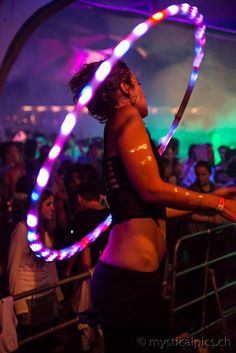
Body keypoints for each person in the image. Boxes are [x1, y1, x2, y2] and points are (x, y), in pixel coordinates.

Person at [69, 60, 236, 353]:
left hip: (130, 283)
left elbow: (154, 208)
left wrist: (217, 196)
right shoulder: (127, 116)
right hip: (127, 285)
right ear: (125, 87)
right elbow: (152, 189)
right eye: (138, 82)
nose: (142, 90)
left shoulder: (120, 123)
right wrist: (218, 203)